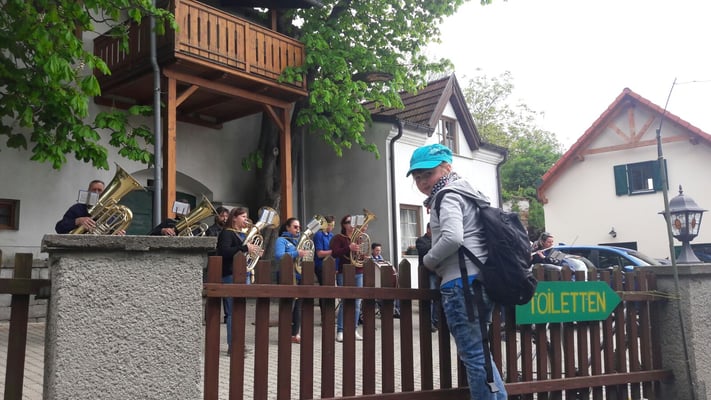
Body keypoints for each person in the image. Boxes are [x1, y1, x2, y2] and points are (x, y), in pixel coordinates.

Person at [408, 143, 507, 399]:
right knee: (481, 355)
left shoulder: (447, 195)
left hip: (461, 284)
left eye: (428, 174)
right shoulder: (468, 193)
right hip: (480, 281)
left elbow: (453, 238)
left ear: (446, 168)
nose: (422, 182)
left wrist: (428, 261)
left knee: (474, 356)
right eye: (417, 177)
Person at [217, 207, 261, 355]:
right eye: (243, 216)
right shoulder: (227, 233)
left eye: (246, 217)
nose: (246, 219)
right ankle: (233, 345)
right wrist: (245, 248)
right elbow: (224, 252)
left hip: (243, 274)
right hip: (230, 275)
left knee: (240, 311)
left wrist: (255, 251)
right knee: (232, 312)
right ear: (234, 218)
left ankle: (239, 343)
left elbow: (245, 252)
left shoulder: (243, 234)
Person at [274, 218, 310, 344]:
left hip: (298, 276)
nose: (298, 229)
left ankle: (295, 334)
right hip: (287, 276)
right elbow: (279, 256)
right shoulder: (281, 240)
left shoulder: (298, 241)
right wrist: (296, 253)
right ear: (287, 227)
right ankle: (284, 334)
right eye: (295, 227)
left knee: (298, 307)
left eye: (299, 227)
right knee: (287, 306)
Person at [330, 214, 364, 342]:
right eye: (349, 222)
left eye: (353, 222)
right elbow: (334, 253)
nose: (352, 224)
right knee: (345, 302)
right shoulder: (338, 238)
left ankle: (353, 330)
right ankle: (340, 331)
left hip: (358, 271)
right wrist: (348, 248)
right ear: (344, 225)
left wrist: (361, 253)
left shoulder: (359, 237)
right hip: (344, 271)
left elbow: (361, 254)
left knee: (357, 303)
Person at [205, 206, 229, 323]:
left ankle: (228, 316)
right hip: (215, 262)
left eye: (226, 216)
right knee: (213, 291)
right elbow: (211, 248)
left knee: (227, 291)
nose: (225, 218)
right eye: (222, 216)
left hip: (226, 263)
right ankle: (210, 317)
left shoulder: (229, 230)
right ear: (217, 217)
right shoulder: (211, 230)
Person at [416, 223, 439, 332]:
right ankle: (428, 322)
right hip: (427, 272)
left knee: (437, 297)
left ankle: (436, 321)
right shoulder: (421, 240)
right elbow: (424, 250)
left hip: (437, 271)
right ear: (428, 229)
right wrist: (438, 244)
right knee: (429, 298)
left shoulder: (437, 239)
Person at [371, 242, 401, 318]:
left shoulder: (381, 258)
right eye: (377, 250)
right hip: (375, 282)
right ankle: (385, 311)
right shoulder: (370, 259)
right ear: (372, 250)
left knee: (396, 291)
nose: (378, 252)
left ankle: (395, 310)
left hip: (383, 280)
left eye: (379, 250)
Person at [312, 215, 335, 286]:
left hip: (330, 264)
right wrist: (334, 252)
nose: (333, 227)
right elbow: (319, 254)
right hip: (321, 265)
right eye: (331, 225)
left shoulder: (331, 235)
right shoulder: (319, 235)